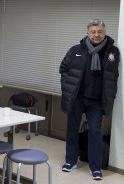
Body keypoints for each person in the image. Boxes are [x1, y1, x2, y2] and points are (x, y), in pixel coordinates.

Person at [59, 19, 120, 180]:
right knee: (72, 130)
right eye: (93, 32)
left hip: (97, 102)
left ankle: (96, 167)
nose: (96, 35)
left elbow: (113, 77)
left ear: (104, 32)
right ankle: (71, 161)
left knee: (95, 132)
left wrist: (111, 95)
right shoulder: (76, 50)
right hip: (77, 99)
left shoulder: (113, 52)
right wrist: (67, 87)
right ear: (87, 32)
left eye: (99, 31)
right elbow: (63, 69)